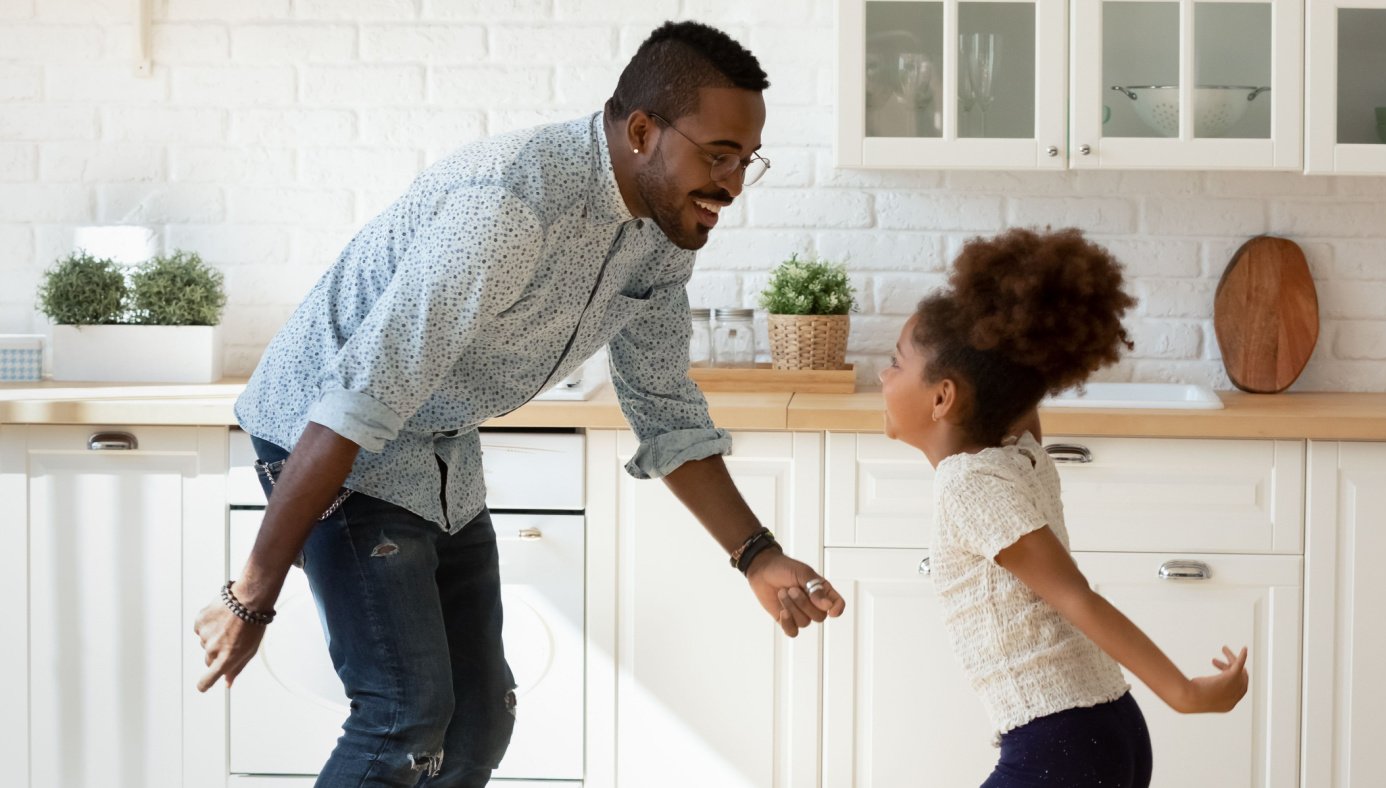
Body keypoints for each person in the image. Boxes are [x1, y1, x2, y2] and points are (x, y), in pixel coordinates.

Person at [193, 20, 845, 787]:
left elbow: (666, 409)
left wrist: (758, 557)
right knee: (403, 715)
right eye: (717, 155)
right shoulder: (508, 206)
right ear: (642, 131)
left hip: (438, 439)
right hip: (331, 437)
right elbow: (357, 400)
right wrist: (250, 598)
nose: (732, 185)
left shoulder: (665, 236)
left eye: (745, 160)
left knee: (482, 715)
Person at [877, 227, 1249, 788]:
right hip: (1103, 731)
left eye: (896, 363)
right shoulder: (1019, 452)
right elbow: (1021, 388)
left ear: (942, 397)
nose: (883, 376)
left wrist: (1185, 692)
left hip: (1061, 746)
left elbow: (1076, 596)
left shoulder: (970, 485)